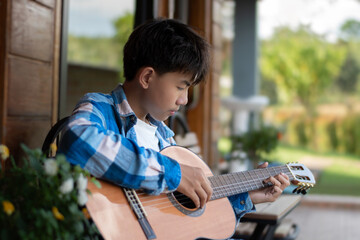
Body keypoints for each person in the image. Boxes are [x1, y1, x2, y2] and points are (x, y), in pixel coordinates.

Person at [59, 18, 290, 239]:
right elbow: (77, 141)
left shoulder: (164, 138)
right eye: (181, 87)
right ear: (148, 77)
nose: (185, 100)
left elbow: (182, 219)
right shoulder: (102, 109)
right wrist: (173, 173)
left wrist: (246, 196)